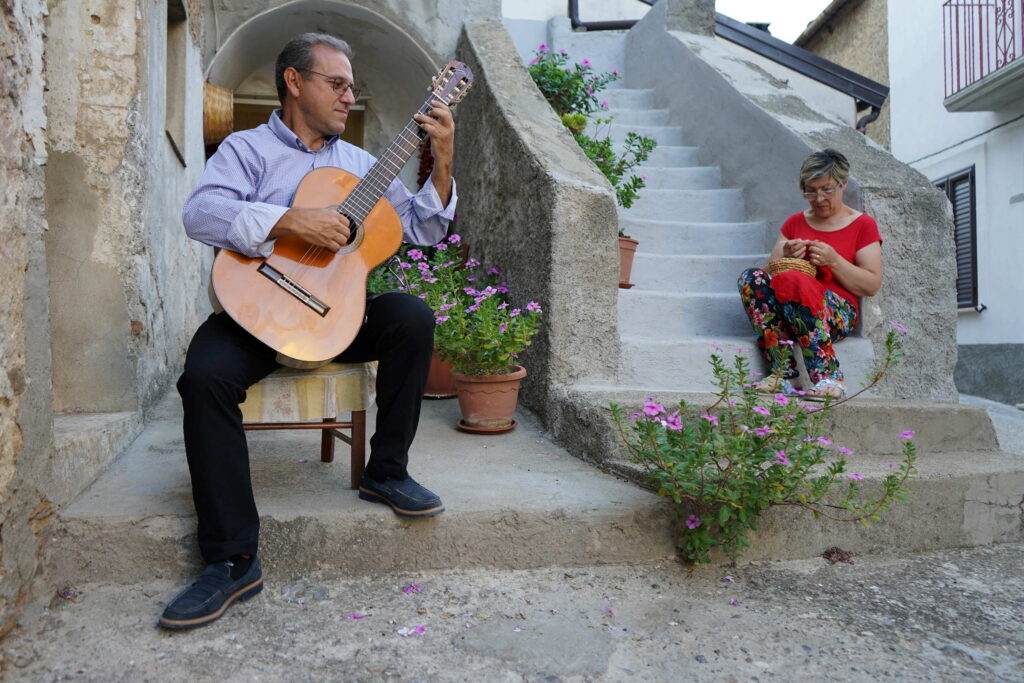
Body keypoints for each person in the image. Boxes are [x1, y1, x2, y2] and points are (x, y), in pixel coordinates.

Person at [159, 33, 457, 630]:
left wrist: (443, 158)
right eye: (337, 83)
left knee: (411, 316)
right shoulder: (246, 149)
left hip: (333, 314)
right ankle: (233, 558)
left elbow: (424, 229)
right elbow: (200, 213)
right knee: (204, 378)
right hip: (256, 313)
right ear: (294, 82)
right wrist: (292, 220)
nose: (350, 96)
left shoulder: (362, 166)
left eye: (352, 86)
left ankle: (386, 471)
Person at [737, 149, 882, 401]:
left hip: (835, 315)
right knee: (751, 278)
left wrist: (834, 261)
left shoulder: (862, 224)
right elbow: (769, 274)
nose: (818, 198)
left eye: (827, 189)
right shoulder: (794, 222)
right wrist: (789, 256)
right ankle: (784, 375)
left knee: (796, 280)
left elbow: (871, 284)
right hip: (788, 311)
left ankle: (829, 378)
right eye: (810, 191)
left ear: (843, 183)